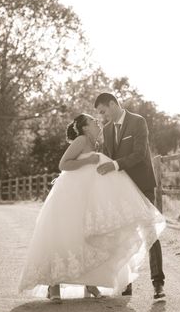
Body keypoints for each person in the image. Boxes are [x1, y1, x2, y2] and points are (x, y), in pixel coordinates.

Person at [17, 113, 166, 301]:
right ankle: (53, 286)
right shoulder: (80, 140)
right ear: (85, 127)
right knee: (66, 234)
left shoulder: (96, 143)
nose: (98, 122)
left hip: (88, 196)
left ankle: (89, 282)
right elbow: (63, 164)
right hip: (71, 194)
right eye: (93, 121)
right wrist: (88, 161)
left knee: (85, 237)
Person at [94, 93, 166, 299]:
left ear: (113, 104)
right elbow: (106, 157)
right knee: (123, 234)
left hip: (142, 185)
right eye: (99, 113)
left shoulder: (137, 121)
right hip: (121, 190)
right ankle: (126, 283)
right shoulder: (107, 130)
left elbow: (140, 153)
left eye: (103, 111)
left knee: (149, 233)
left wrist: (115, 165)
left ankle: (158, 284)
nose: (101, 116)